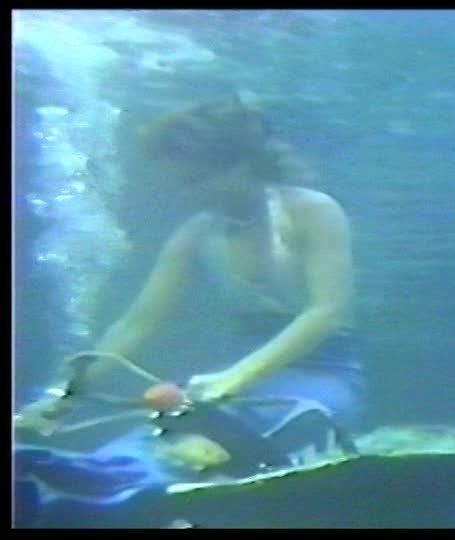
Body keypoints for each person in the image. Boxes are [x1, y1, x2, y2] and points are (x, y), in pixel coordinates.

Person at [13, 98, 364, 525]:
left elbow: (326, 312)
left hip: (320, 378)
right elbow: (136, 322)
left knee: (236, 439)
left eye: (197, 180)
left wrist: (234, 378)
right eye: (181, 183)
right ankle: (80, 488)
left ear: (242, 164)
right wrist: (63, 396)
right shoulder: (198, 233)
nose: (188, 194)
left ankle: (122, 504)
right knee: (163, 437)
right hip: (232, 387)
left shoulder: (314, 211)